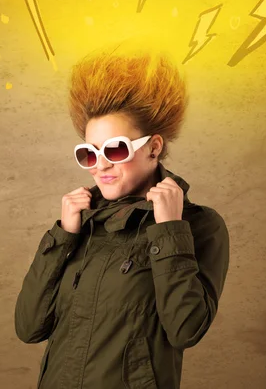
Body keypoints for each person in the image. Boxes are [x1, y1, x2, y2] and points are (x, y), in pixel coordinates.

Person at [14, 39, 230, 389]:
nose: (99, 166)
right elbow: (29, 327)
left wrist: (170, 230)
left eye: (114, 150)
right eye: (88, 154)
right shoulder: (81, 224)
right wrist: (62, 237)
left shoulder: (198, 225)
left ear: (153, 148)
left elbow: (186, 329)